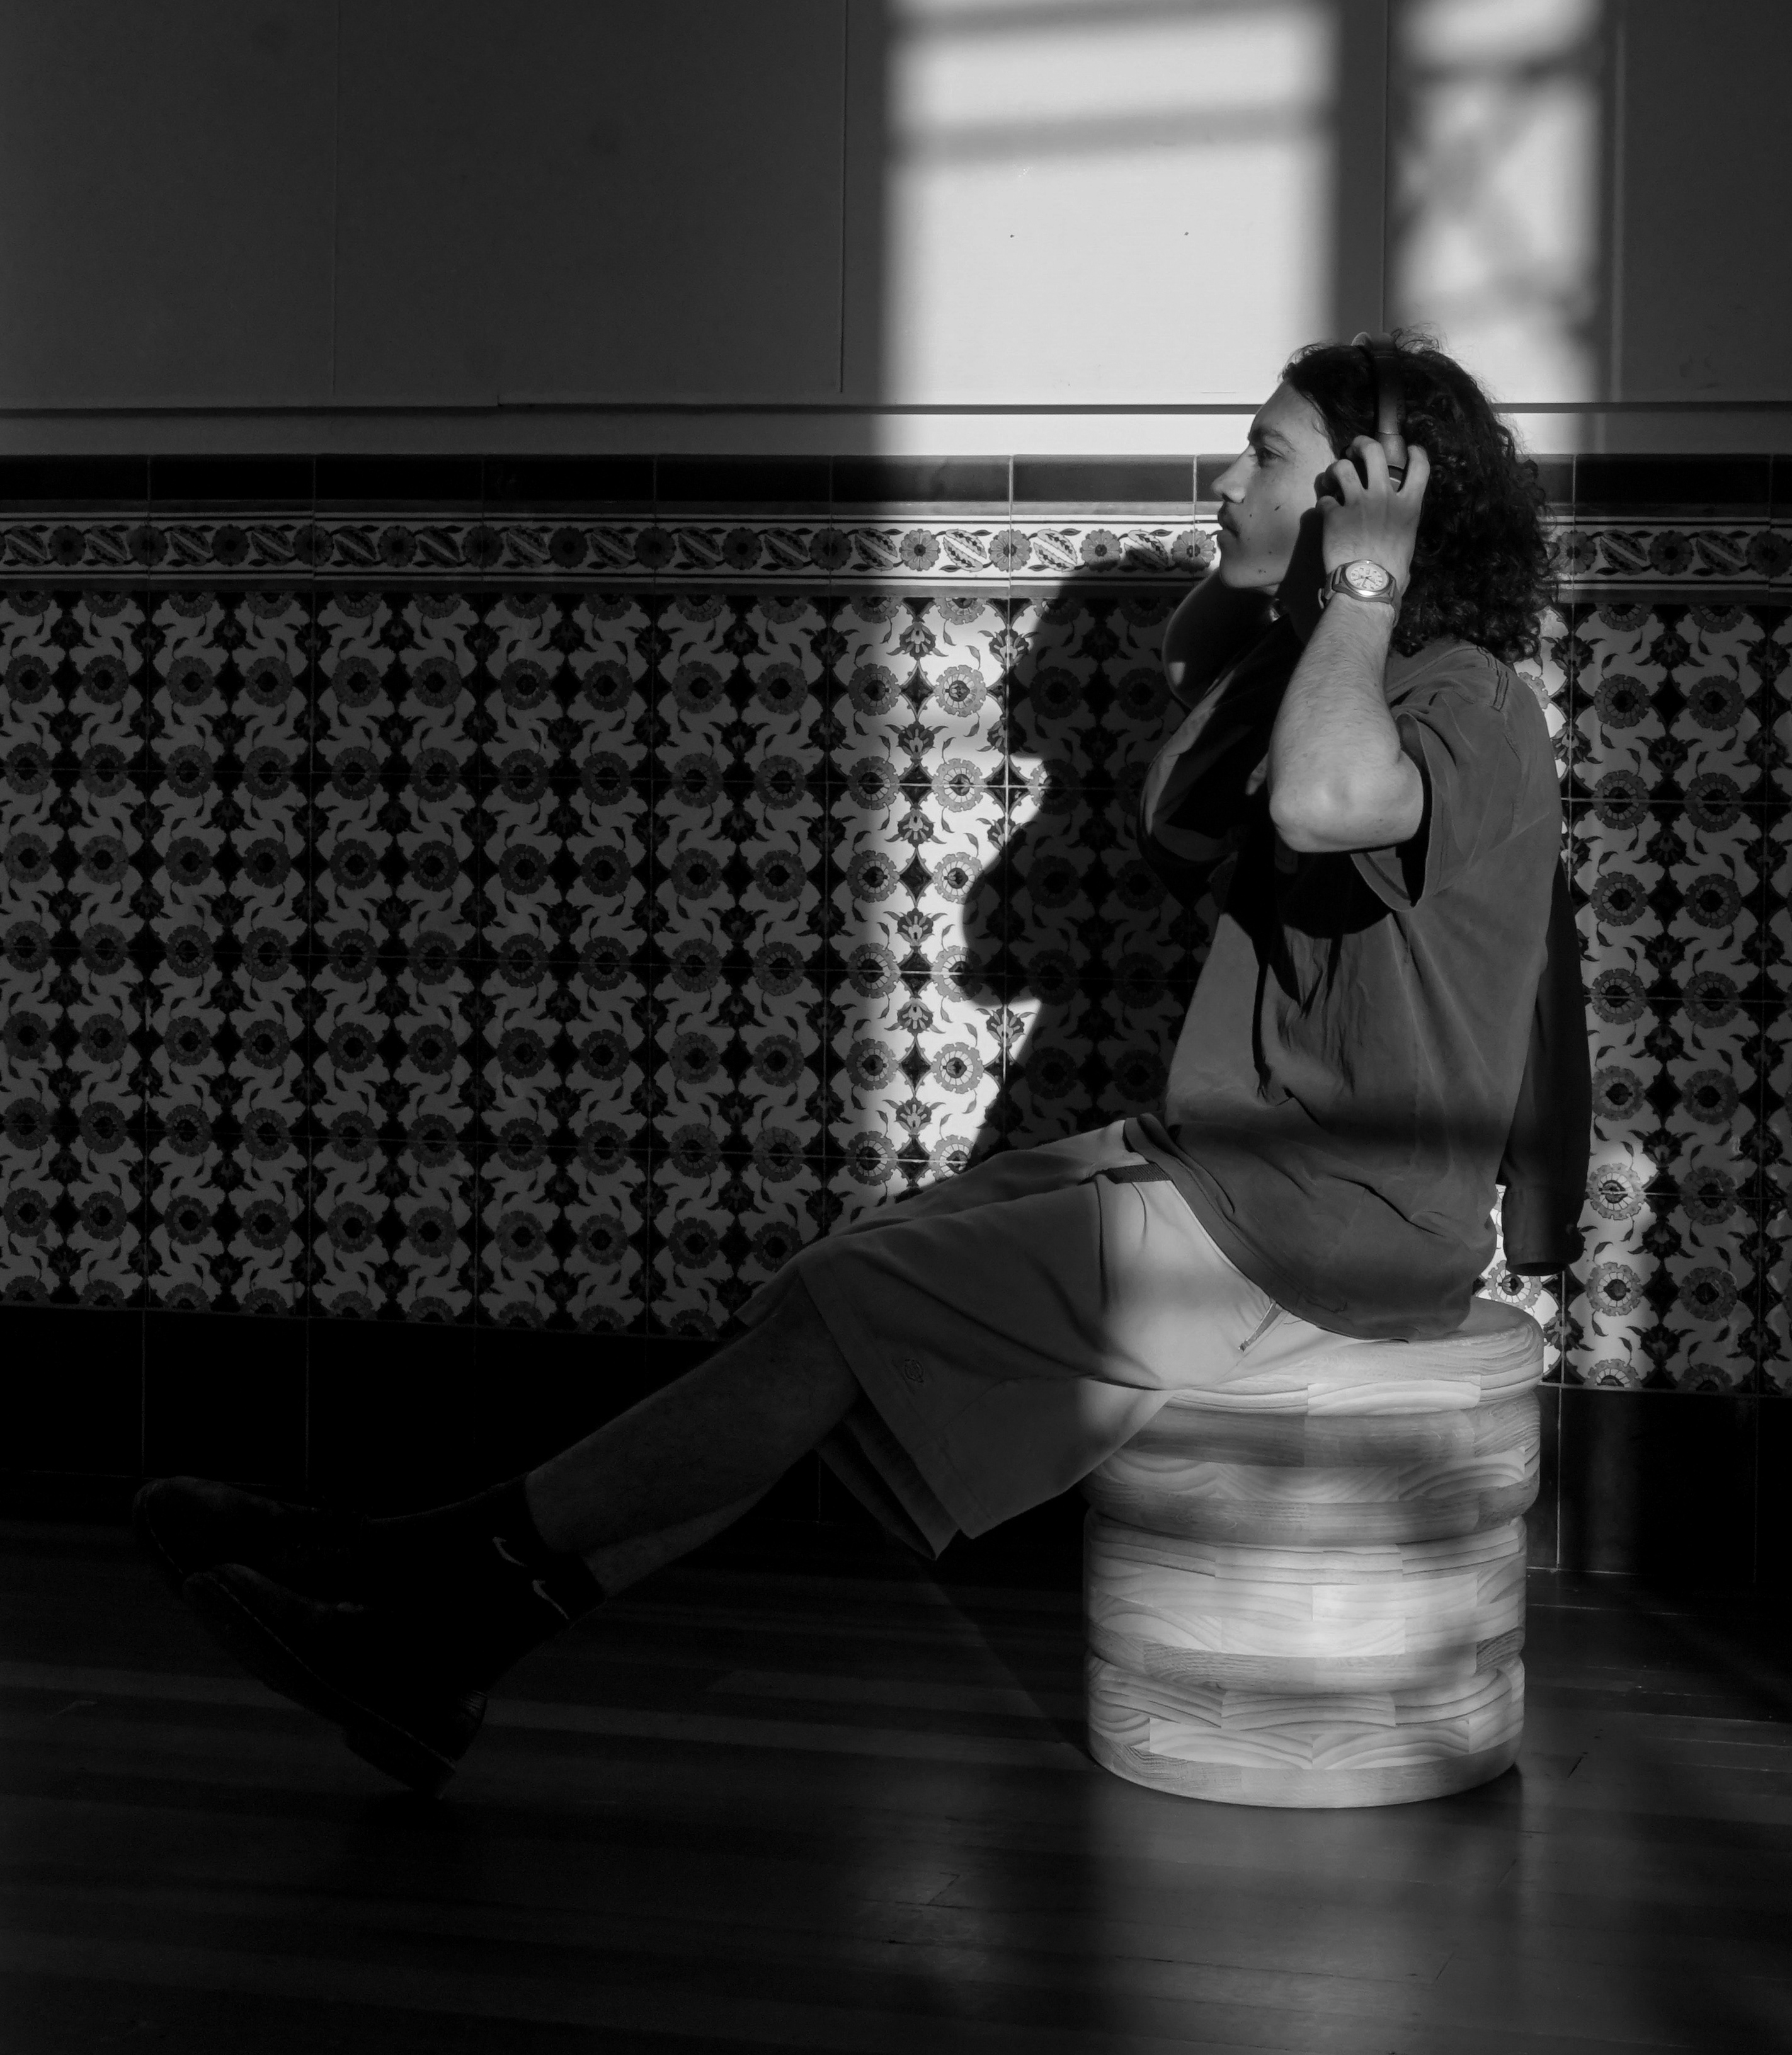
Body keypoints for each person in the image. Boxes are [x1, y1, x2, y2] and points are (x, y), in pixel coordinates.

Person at [136, 331, 1564, 1792]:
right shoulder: (1328, 673)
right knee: (827, 1293)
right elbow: (1176, 822)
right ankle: (446, 1644)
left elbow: (1325, 806)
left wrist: (1362, 577)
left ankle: (410, 1571)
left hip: (1328, 1229)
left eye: (1263, 454)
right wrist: (1287, 600)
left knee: (838, 1315)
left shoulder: (1465, 699)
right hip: (1227, 1175)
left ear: (1372, 487)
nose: (1223, 481)